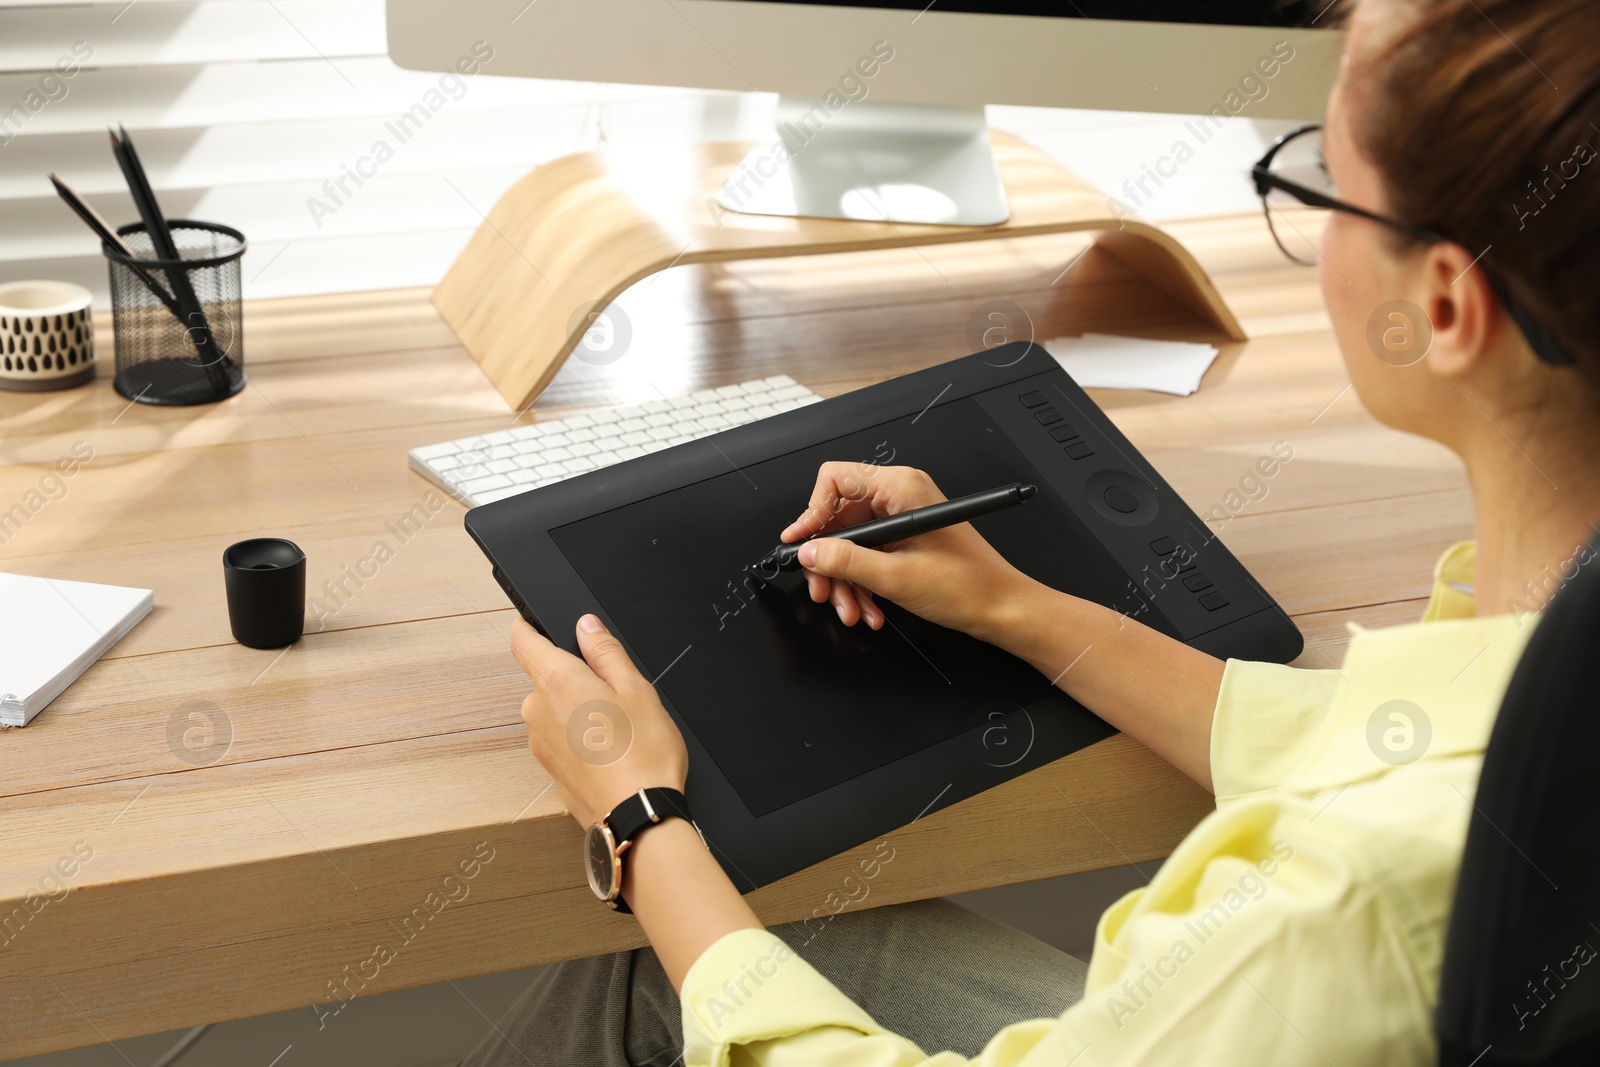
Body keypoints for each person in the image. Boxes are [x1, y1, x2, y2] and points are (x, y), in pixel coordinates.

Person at [463, 0, 1600, 1062]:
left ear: (1444, 308)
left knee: (644, 971)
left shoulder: (1340, 908)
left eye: (1320, 185)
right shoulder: (1535, 650)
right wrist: (1016, 608)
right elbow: (1387, 741)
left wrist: (644, 820)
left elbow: (1378, 836)